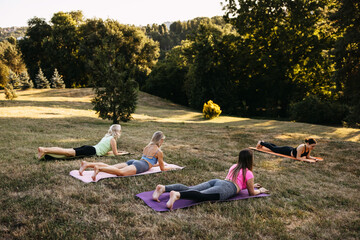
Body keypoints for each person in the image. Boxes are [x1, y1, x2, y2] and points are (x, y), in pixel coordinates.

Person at [152, 149, 269, 210]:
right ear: (250, 160)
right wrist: (260, 191)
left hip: (218, 181)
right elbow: (251, 193)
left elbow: (241, 183)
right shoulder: (249, 173)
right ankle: (177, 195)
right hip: (226, 188)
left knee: (190, 189)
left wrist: (252, 185)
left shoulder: (234, 166)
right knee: (201, 195)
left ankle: (163, 188)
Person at [79, 131, 172, 181]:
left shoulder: (147, 147)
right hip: (141, 165)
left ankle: (87, 164)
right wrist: (171, 167)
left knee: (111, 167)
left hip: (136, 162)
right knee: (121, 172)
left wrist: (155, 165)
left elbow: (147, 161)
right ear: (161, 140)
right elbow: (162, 168)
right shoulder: (159, 151)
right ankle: (99, 169)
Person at [37, 124, 125, 159]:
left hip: (89, 148)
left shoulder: (107, 137)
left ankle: (45, 149)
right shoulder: (113, 140)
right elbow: (115, 154)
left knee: (66, 150)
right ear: (118, 132)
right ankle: (44, 150)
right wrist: (122, 153)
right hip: (91, 151)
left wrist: (117, 151)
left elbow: (105, 150)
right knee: (67, 152)